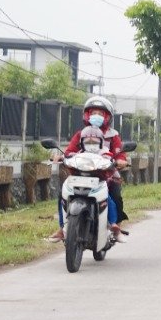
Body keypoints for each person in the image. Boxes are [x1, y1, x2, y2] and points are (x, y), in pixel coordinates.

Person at [47, 97, 130, 242]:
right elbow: (69, 151)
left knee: (115, 195)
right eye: (93, 113)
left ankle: (115, 227)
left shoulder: (113, 135)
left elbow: (120, 153)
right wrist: (60, 157)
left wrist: (120, 160)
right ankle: (62, 228)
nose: (96, 116)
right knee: (62, 195)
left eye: (100, 113)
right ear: (87, 115)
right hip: (81, 173)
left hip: (106, 175)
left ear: (107, 116)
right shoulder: (81, 134)